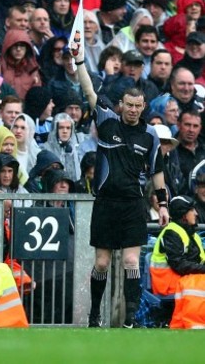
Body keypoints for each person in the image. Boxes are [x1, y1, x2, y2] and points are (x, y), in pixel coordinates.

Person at [70, 32, 169, 328]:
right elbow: (88, 89)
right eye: (129, 105)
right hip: (105, 203)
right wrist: (79, 61)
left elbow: (157, 173)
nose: (133, 110)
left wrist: (163, 205)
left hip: (132, 204)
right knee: (101, 262)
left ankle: (130, 320)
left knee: (129, 262)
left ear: (143, 108)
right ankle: (94, 315)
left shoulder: (149, 135)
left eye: (138, 106)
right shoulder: (107, 120)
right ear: (121, 104)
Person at [150, 196, 205, 329]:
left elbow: (199, 261)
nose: (196, 214)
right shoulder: (171, 233)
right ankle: (196, 324)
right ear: (183, 214)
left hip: (183, 279)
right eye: (192, 210)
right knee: (199, 285)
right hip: (168, 283)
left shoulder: (193, 235)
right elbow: (179, 265)